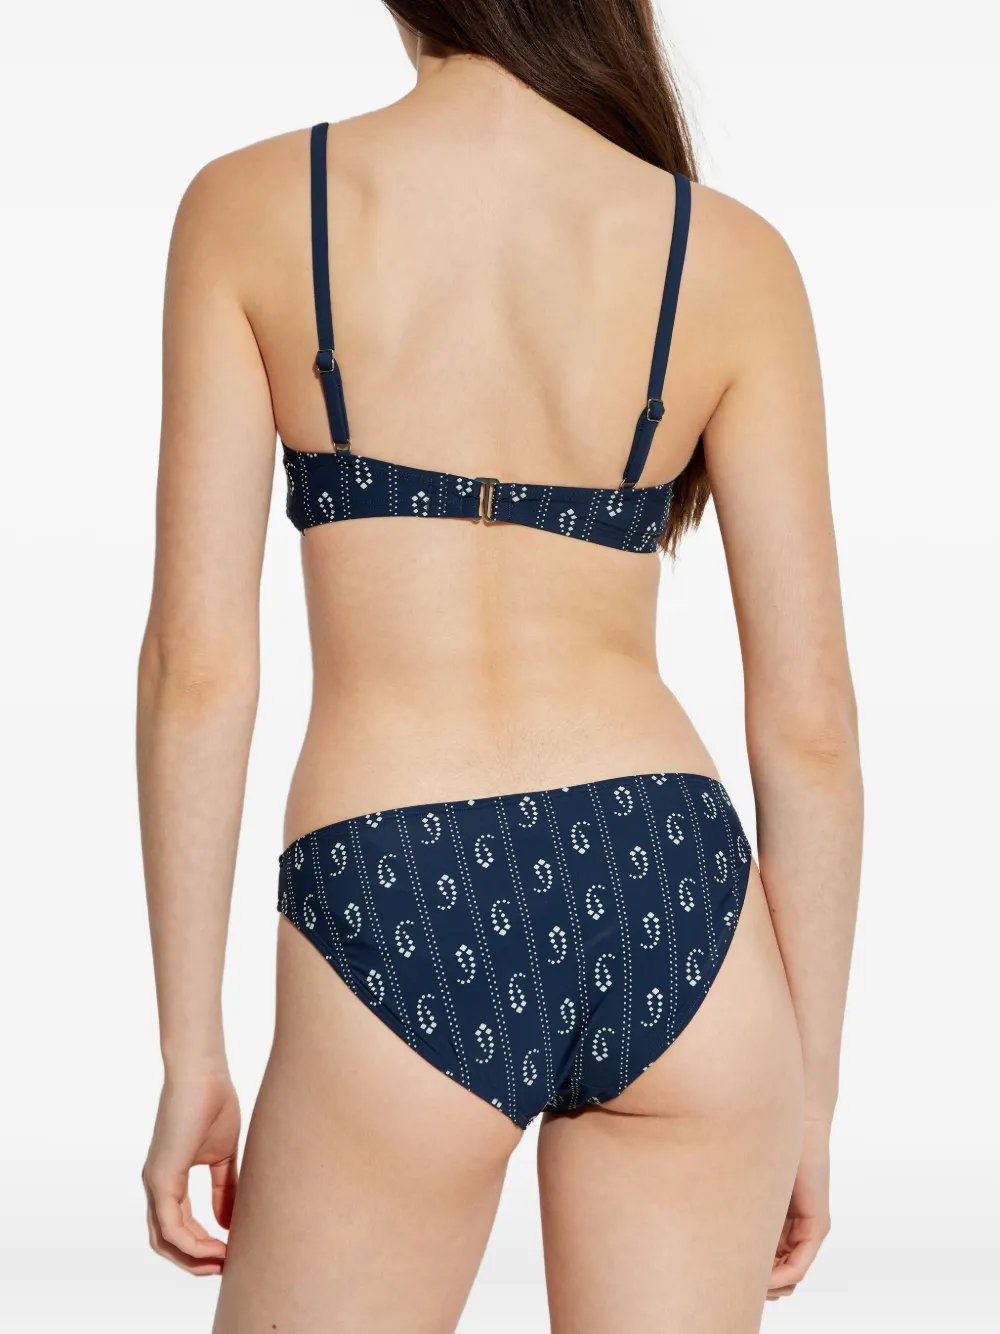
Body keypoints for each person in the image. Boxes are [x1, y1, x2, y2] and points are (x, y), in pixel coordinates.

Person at [137, 4, 862, 1330]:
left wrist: (193, 1049)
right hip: (671, 891)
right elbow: (809, 723)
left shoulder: (254, 208)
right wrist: (806, 1095)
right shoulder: (726, 254)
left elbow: (200, 668)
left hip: (400, 884)